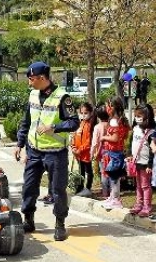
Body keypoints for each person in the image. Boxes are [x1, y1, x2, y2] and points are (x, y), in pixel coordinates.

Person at [14, 62, 79, 241]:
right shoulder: (33, 95)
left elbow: (74, 122)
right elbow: (26, 122)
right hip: (34, 151)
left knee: (58, 190)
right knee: (28, 187)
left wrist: (54, 127)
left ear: (42, 78)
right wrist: (19, 144)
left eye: (31, 79)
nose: (29, 82)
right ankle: (29, 219)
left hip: (55, 152)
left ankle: (60, 224)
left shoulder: (62, 97)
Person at [100, 97, 131, 210]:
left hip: (114, 152)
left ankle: (116, 200)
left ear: (113, 107)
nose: (107, 108)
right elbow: (125, 136)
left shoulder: (114, 121)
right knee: (114, 176)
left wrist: (104, 137)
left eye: (108, 106)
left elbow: (115, 138)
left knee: (114, 178)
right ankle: (113, 197)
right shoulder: (121, 120)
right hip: (117, 152)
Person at [128, 104, 156, 216]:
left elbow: (152, 150)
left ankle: (147, 206)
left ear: (147, 116)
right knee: (138, 185)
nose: (137, 117)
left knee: (145, 185)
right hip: (136, 162)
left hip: (145, 164)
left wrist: (150, 165)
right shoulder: (135, 129)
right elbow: (132, 143)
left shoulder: (151, 132)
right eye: (136, 115)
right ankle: (138, 204)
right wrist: (130, 154)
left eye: (139, 115)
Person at [71, 103, 96, 197]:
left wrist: (80, 150)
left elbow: (88, 142)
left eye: (86, 113)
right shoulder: (81, 123)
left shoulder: (90, 125)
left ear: (90, 113)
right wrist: (73, 147)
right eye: (81, 113)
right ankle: (80, 187)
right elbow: (75, 136)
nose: (83, 115)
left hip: (86, 154)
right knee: (80, 172)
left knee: (89, 172)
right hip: (79, 154)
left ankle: (88, 188)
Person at [91, 106, 111, 198]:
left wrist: (92, 153)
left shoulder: (97, 127)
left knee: (103, 172)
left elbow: (95, 143)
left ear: (98, 116)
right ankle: (112, 192)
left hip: (102, 152)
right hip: (112, 151)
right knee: (111, 172)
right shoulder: (111, 125)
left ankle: (105, 192)